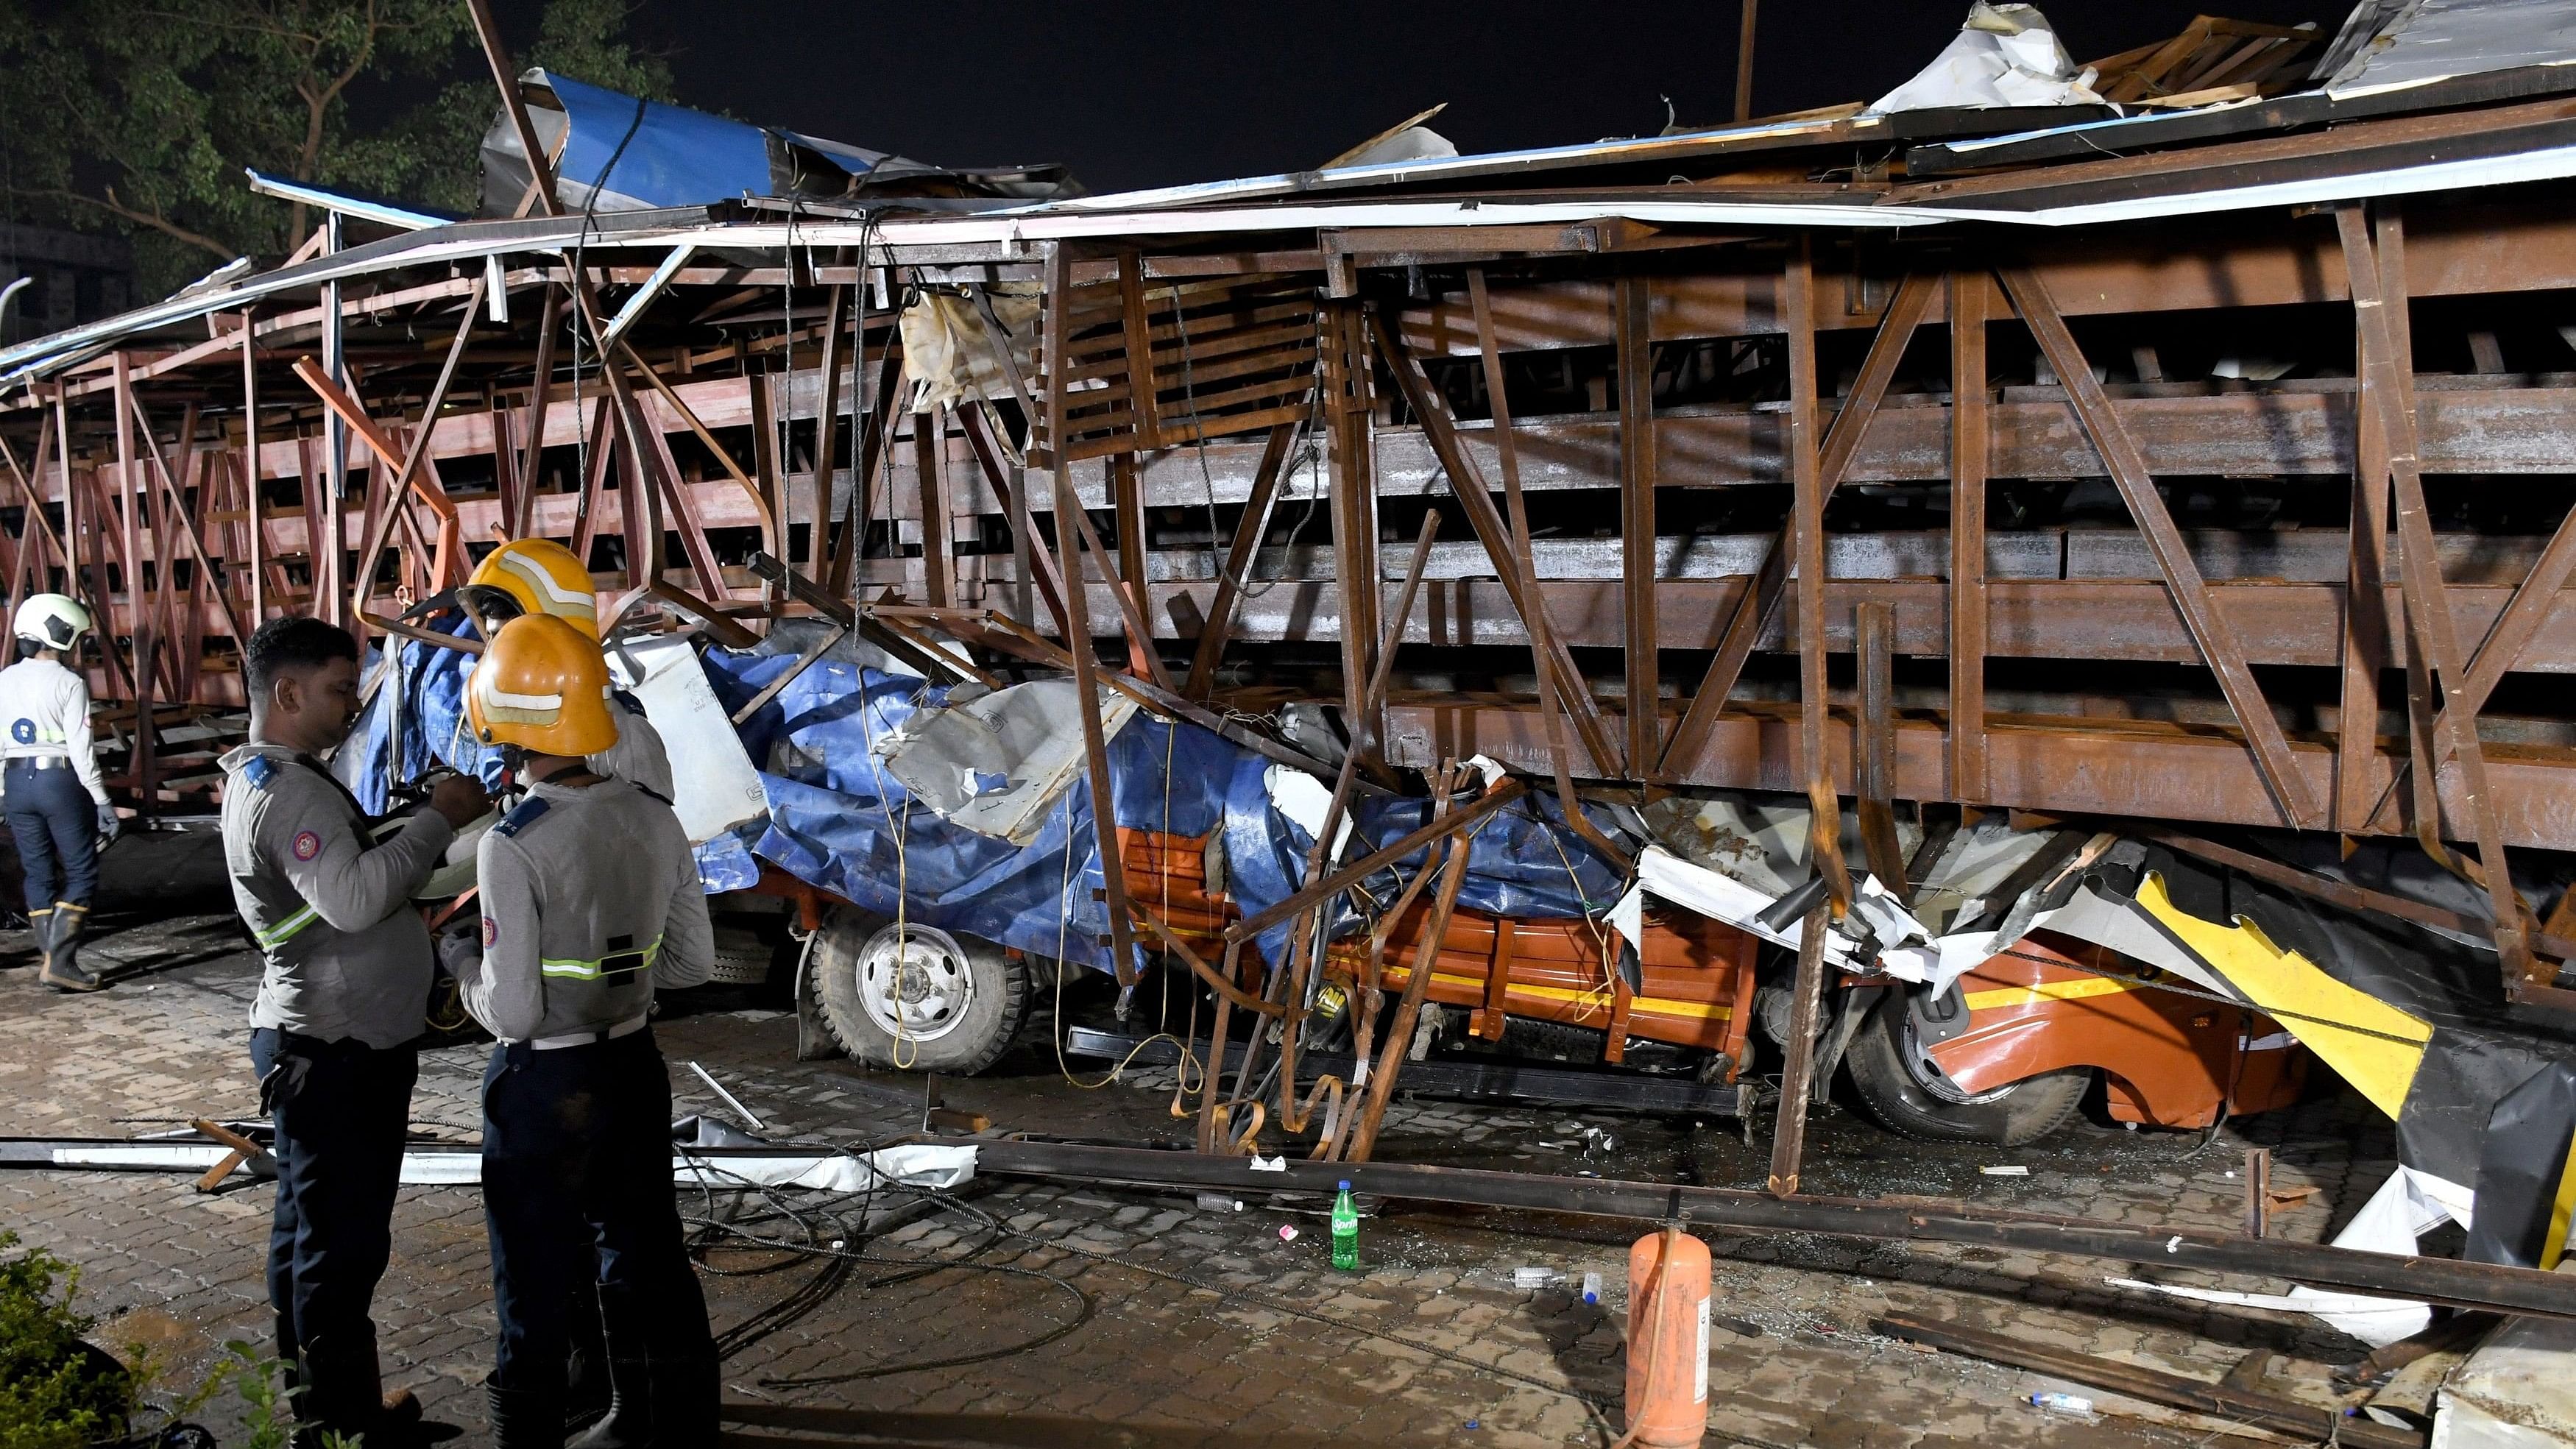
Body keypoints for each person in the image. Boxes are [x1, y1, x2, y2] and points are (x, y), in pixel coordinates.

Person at [219, 616, 492, 1445]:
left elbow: (337, 880)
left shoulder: (278, 774)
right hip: (335, 1051)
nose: (350, 707)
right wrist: (439, 818)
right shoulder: (287, 789)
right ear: (288, 691)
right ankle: (341, 1429)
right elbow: (350, 898)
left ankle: (324, 1410)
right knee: (338, 1244)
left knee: (310, 1231)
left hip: (327, 1038)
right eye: (340, 690)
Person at [454, 612, 716, 1447]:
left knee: (531, 1276)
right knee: (645, 1257)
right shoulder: (653, 815)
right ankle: (663, 1425)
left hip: (544, 1086)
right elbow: (691, 967)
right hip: (634, 1068)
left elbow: (518, 1010)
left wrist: (464, 974)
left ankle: (528, 1438)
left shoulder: (513, 843)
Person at [459, 537, 673, 800]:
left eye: (507, 636)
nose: (494, 652)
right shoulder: (529, 717)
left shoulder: (622, 731)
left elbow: (647, 829)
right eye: (492, 637)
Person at [0, 594, 117, 991]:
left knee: (37, 871)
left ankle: (52, 959)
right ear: (61, 633)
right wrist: (102, 800)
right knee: (82, 870)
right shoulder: (69, 683)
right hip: (59, 784)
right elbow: (82, 751)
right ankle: (61, 963)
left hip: (16, 784)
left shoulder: (4, 680)